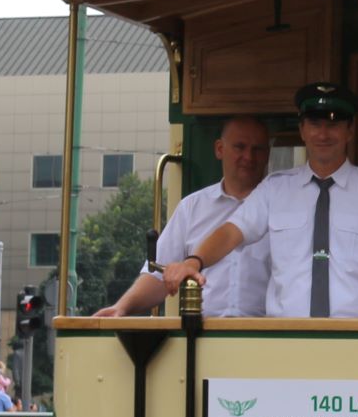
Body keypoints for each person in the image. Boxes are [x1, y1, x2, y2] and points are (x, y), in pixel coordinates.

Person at [159, 82, 358, 320]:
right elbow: (231, 233)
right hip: (284, 338)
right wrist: (194, 262)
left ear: (350, 130)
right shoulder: (275, 188)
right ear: (302, 130)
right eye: (315, 124)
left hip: (354, 336)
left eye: (334, 124)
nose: (324, 134)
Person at [94, 115, 274, 318]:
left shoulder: (282, 207)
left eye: (258, 149)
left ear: (268, 154)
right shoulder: (192, 207)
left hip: (265, 336)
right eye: (240, 147)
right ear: (219, 149)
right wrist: (122, 307)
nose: (249, 157)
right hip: (200, 334)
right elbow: (159, 275)